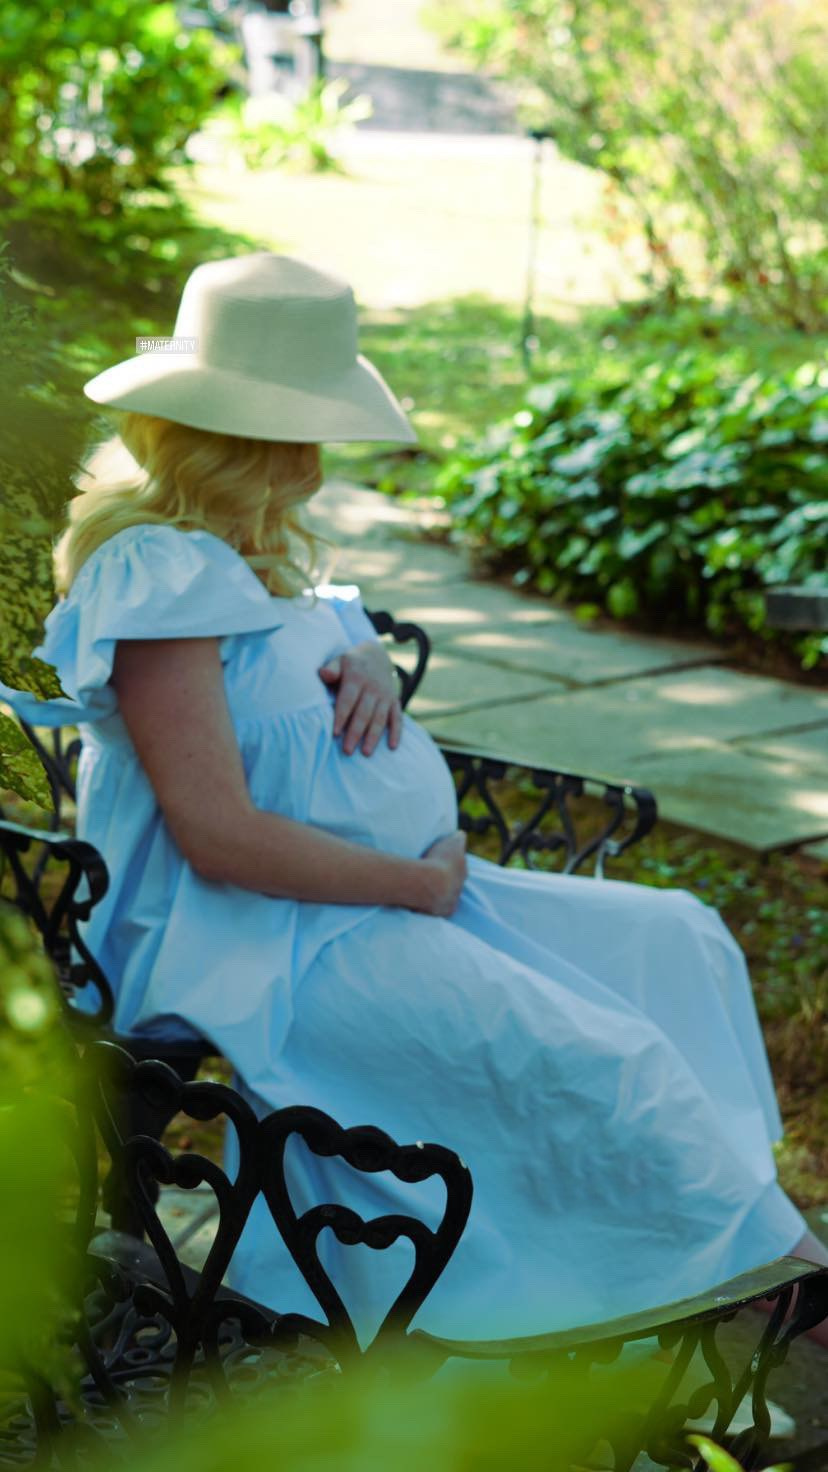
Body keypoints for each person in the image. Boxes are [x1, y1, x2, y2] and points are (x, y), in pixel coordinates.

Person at [6, 252, 826, 1349]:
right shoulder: (161, 573)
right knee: (597, 1055)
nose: (314, 458)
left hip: (383, 894)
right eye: (295, 432)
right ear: (234, 438)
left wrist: (367, 661)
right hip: (264, 935)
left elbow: (313, 636)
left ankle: (689, 1237)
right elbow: (219, 835)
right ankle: (767, 1280)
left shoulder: (251, 561)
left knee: (674, 938)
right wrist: (417, 878)